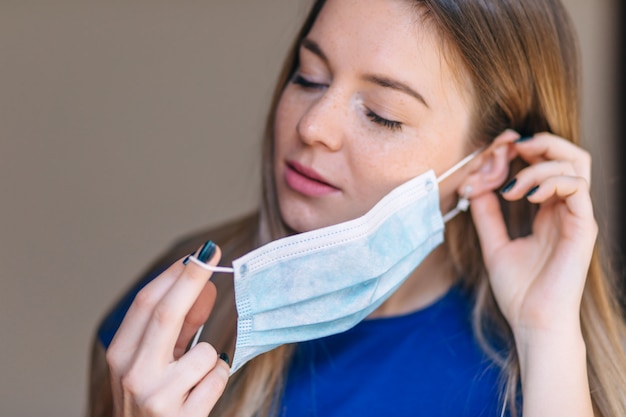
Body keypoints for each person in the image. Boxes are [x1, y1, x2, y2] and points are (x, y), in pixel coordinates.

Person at [87, 0, 626, 416]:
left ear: (487, 164)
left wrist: (546, 334)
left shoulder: (539, 366)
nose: (311, 126)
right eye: (308, 77)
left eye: (383, 114)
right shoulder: (169, 326)